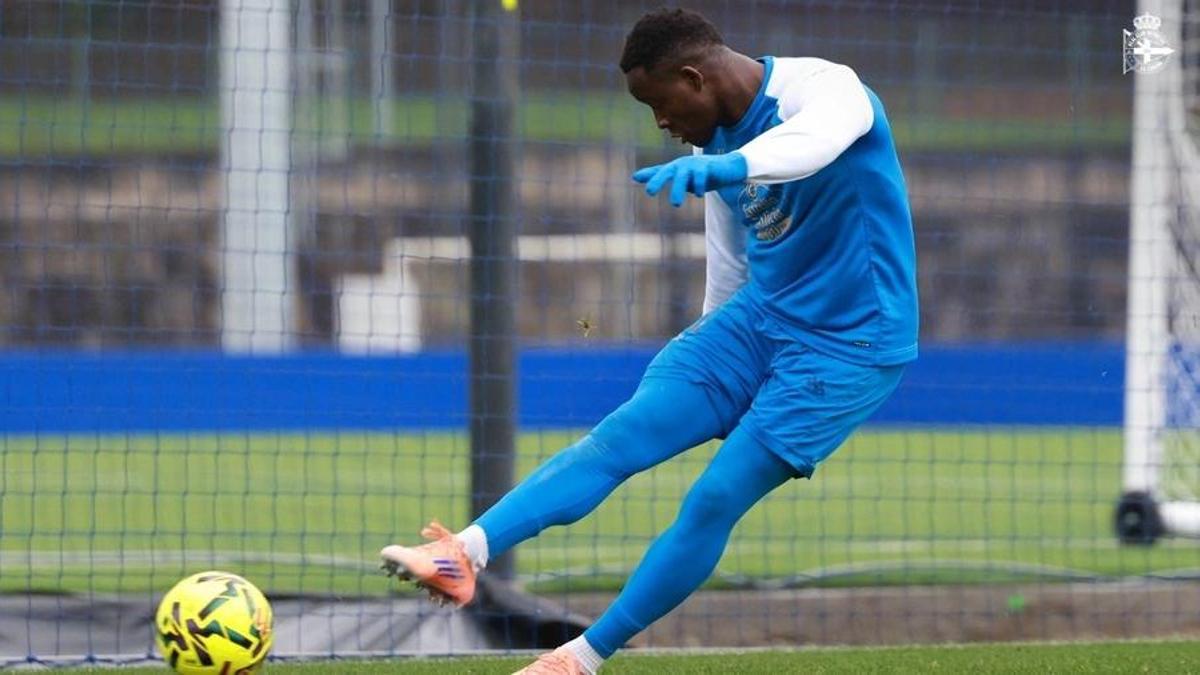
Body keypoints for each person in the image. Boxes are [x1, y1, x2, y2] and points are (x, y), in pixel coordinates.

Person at [380, 7, 918, 673]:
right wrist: (714, 358)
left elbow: (813, 144)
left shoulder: (825, 89)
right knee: (621, 436)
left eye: (658, 105)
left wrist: (728, 167)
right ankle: (463, 553)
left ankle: (579, 658)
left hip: (849, 345)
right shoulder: (710, 148)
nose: (661, 124)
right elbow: (729, 262)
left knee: (715, 497)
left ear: (693, 78)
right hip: (755, 321)